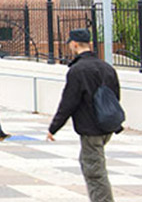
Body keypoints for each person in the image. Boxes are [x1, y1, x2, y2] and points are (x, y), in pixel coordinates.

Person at [47, 29, 121, 202]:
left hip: (91, 127)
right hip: (108, 124)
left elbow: (68, 103)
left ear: (74, 44)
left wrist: (54, 128)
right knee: (89, 162)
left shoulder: (78, 70)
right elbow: (115, 96)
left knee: (94, 172)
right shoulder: (106, 67)